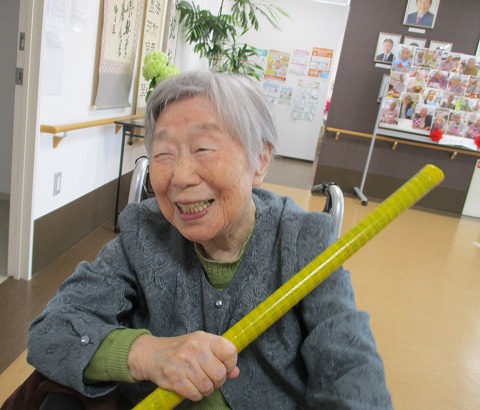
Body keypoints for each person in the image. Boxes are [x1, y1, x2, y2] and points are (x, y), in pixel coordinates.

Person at [5, 71, 392, 409]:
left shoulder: (304, 240)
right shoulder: (144, 231)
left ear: (260, 160)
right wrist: (148, 354)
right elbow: (51, 331)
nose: (181, 176)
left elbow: (351, 370)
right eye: (163, 154)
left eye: (203, 149)